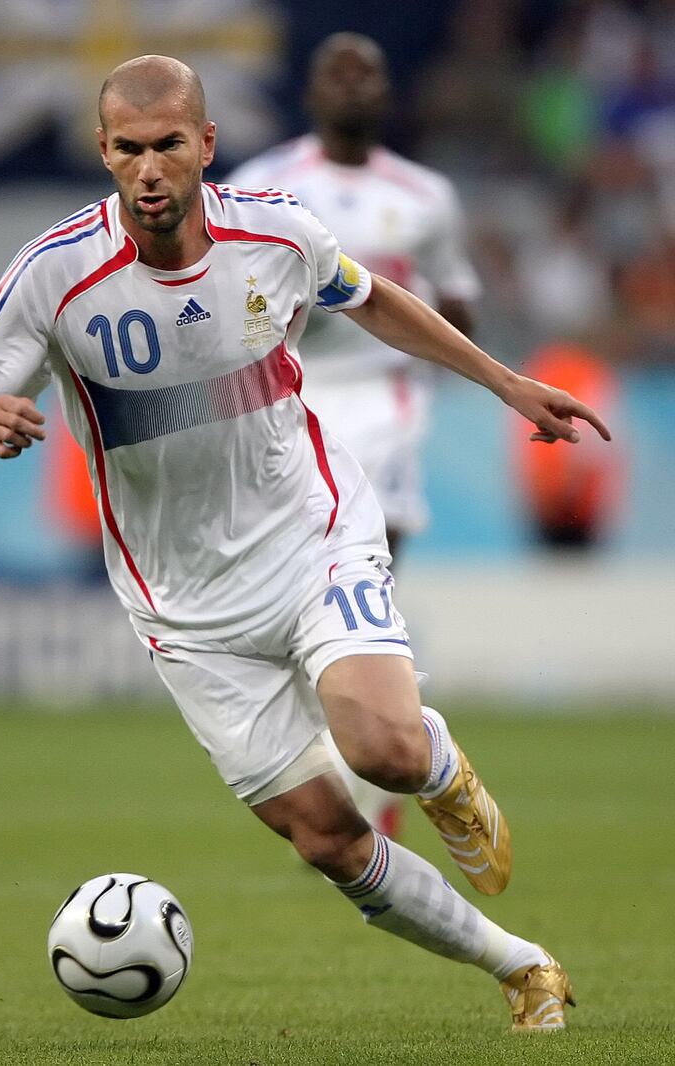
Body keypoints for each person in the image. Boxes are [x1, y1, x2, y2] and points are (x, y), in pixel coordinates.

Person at [0, 55, 610, 1031]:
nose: (150, 169)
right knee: (325, 837)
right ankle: (519, 966)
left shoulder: (274, 229)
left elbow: (371, 298)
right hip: (183, 608)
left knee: (380, 746)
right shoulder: (52, 276)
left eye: (169, 145)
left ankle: (437, 766)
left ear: (204, 144)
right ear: (103, 151)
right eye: (129, 149)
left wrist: (504, 383)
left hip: (307, 534)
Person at [227, 32, 481, 840]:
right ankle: (345, 762)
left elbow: (457, 298)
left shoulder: (427, 197)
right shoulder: (263, 183)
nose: (351, 86)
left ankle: (373, 781)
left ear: (385, 94)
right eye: (336, 73)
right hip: (291, 397)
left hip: (386, 397)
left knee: (373, 584)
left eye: (366, 73)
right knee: (293, 592)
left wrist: (441, 349)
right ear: (310, 93)